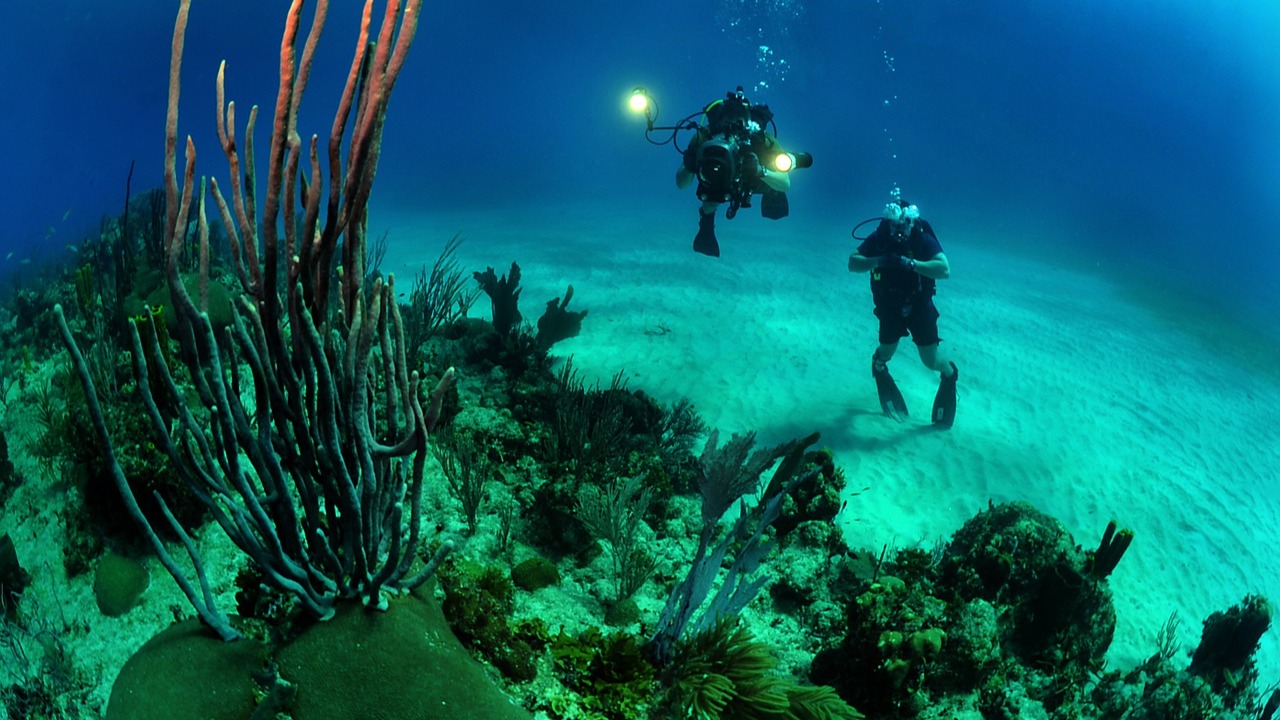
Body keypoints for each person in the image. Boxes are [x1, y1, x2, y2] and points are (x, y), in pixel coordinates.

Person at [847, 199, 959, 427]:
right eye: (894, 225)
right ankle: (878, 367)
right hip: (889, 307)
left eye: (904, 225)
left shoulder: (921, 238)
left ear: (911, 223)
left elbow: (944, 269)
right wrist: (878, 260)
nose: (899, 231)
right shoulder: (879, 239)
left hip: (919, 306)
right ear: (888, 223)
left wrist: (912, 264)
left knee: (930, 361)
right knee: (886, 353)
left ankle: (949, 374)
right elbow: (852, 263)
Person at [675, 88, 793, 257]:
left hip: (753, 177)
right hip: (721, 180)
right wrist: (690, 166)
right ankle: (706, 224)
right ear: (718, 124)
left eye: (737, 126)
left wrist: (761, 171)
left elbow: (785, 184)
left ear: (748, 125)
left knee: (773, 186)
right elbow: (681, 184)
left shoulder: (761, 141)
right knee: (709, 201)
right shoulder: (704, 138)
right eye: (726, 125)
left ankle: (770, 193)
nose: (730, 131)